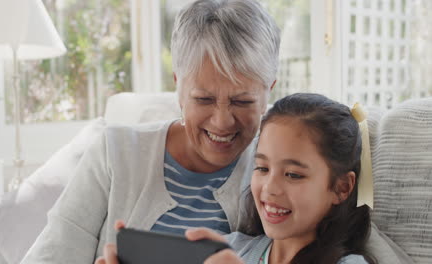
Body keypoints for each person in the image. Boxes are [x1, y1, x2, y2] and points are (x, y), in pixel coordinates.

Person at [21, 0, 280, 263]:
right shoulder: (114, 152)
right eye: (203, 99)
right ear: (178, 86)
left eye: (242, 101)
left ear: (269, 90)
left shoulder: (282, 173)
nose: (222, 122)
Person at [185, 93, 378, 264]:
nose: (269, 188)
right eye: (262, 168)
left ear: (341, 188)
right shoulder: (231, 248)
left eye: (293, 175)